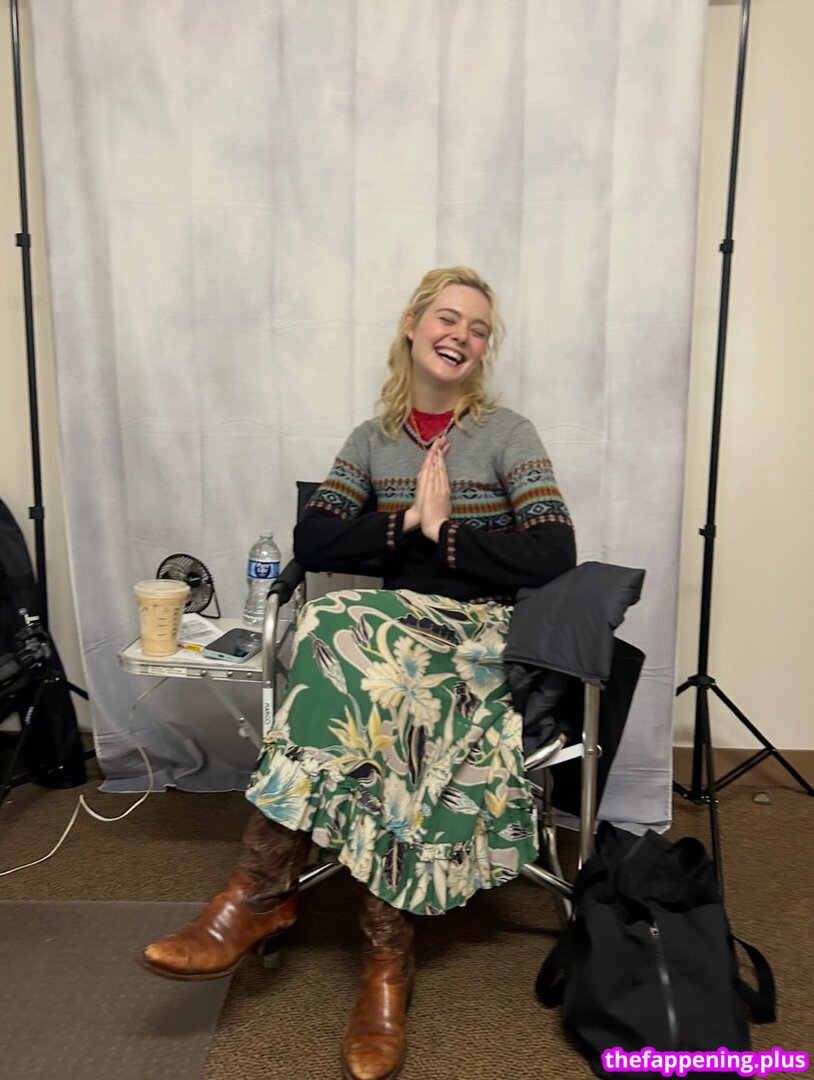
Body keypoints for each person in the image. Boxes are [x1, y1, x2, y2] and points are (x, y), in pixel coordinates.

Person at [142, 266, 576, 1080]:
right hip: (393, 642)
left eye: (478, 328)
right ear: (413, 326)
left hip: (480, 639)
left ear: (484, 348)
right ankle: (386, 958)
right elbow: (314, 541)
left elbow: (554, 552)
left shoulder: (507, 434)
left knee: (339, 626)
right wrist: (405, 518)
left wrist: (446, 535)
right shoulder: (373, 440)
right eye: (447, 318)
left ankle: (260, 892)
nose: (461, 335)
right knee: (359, 656)